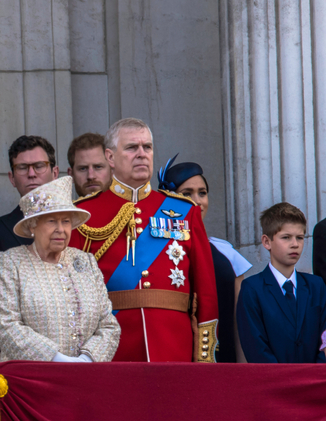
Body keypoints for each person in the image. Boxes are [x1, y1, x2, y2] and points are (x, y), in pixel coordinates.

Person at [70, 118, 218, 362]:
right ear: (110, 157)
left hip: (174, 346)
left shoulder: (184, 211)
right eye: (131, 148)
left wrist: (204, 356)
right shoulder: (82, 214)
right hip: (110, 351)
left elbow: (206, 292)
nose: (141, 154)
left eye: (147, 147)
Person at [0, 176, 120, 361]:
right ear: (32, 225)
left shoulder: (86, 262)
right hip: (31, 379)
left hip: (85, 376)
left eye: (66, 221)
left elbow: (109, 325)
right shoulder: (10, 263)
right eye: (51, 221)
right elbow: (5, 325)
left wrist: (87, 359)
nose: (61, 229)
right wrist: (56, 359)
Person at [0, 135, 59, 361]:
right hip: (17, 364)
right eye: (22, 168)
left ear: (55, 172)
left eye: (39, 166)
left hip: (73, 364)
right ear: (11, 177)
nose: (31, 174)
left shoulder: (76, 228)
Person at [158, 157, 252, 362]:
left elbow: (240, 322)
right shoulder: (156, 250)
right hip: (173, 357)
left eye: (202, 193)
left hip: (222, 359)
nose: (197, 201)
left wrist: (243, 369)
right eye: (187, 194)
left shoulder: (226, 252)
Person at [237, 203, 326, 363]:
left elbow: (324, 336)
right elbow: (255, 347)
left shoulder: (316, 285)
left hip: (315, 381)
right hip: (273, 383)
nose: (295, 244)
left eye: (299, 237)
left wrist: (314, 375)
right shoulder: (252, 289)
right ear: (267, 242)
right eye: (286, 237)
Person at [67, 132, 112, 197]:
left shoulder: (129, 206)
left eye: (98, 167)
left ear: (112, 170)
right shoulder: (62, 207)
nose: (91, 176)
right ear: (71, 175)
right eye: (83, 169)